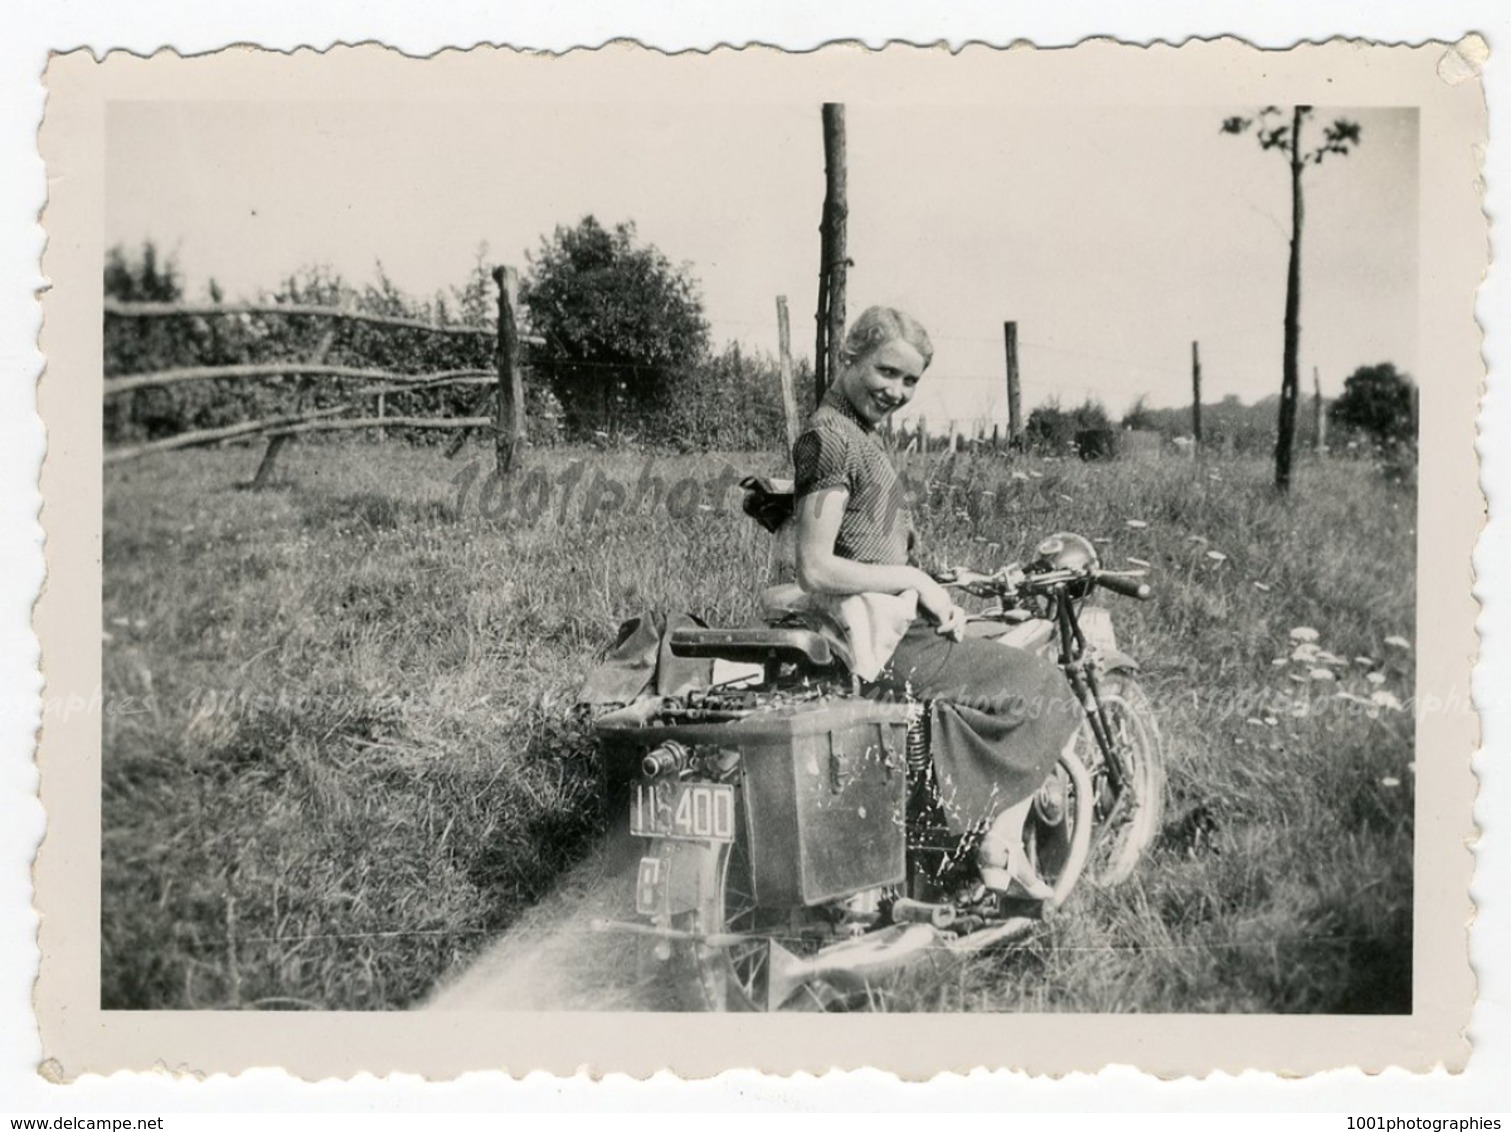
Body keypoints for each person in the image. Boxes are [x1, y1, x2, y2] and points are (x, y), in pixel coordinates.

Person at [791, 306, 1081, 898]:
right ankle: (996, 848)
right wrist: (918, 584)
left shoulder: (853, 434)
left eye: (910, 381)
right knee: (1045, 688)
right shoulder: (830, 437)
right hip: (885, 643)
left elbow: (861, 545)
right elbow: (815, 565)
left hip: (887, 626)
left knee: (994, 658)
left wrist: (936, 578)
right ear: (849, 357)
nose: (896, 391)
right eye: (886, 372)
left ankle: (955, 835)